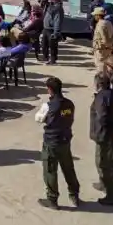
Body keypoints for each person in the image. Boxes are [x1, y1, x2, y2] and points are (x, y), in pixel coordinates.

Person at [34, 76, 81, 210]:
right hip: (65, 140)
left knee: (50, 170)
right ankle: (74, 195)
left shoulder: (48, 106)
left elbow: (38, 119)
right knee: (68, 168)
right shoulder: (70, 104)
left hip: (51, 142)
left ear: (49, 89)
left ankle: (52, 199)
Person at [90, 73, 113, 206]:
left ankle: (112, 195)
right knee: (110, 160)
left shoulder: (101, 97)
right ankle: (104, 183)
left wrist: (109, 131)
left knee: (102, 163)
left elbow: (102, 117)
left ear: (98, 84)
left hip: (104, 136)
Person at [91, 7, 113, 74]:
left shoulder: (100, 25)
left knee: (101, 69)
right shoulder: (108, 22)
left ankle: (103, 82)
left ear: (98, 15)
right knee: (107, 68)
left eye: (95, 15)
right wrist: (110, 46)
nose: (94, 17)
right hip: (107, 50)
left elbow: (104, 39)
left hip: (101, 50)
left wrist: (105, 46)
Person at [41, 0, 64, 65]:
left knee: (52, 46)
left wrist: (56, 32)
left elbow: (57, 21)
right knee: (44, 44)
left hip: (51, 30)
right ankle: (46, 58)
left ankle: (53, 60)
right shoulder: (50, 6)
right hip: (45, 28)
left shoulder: (58, 8)